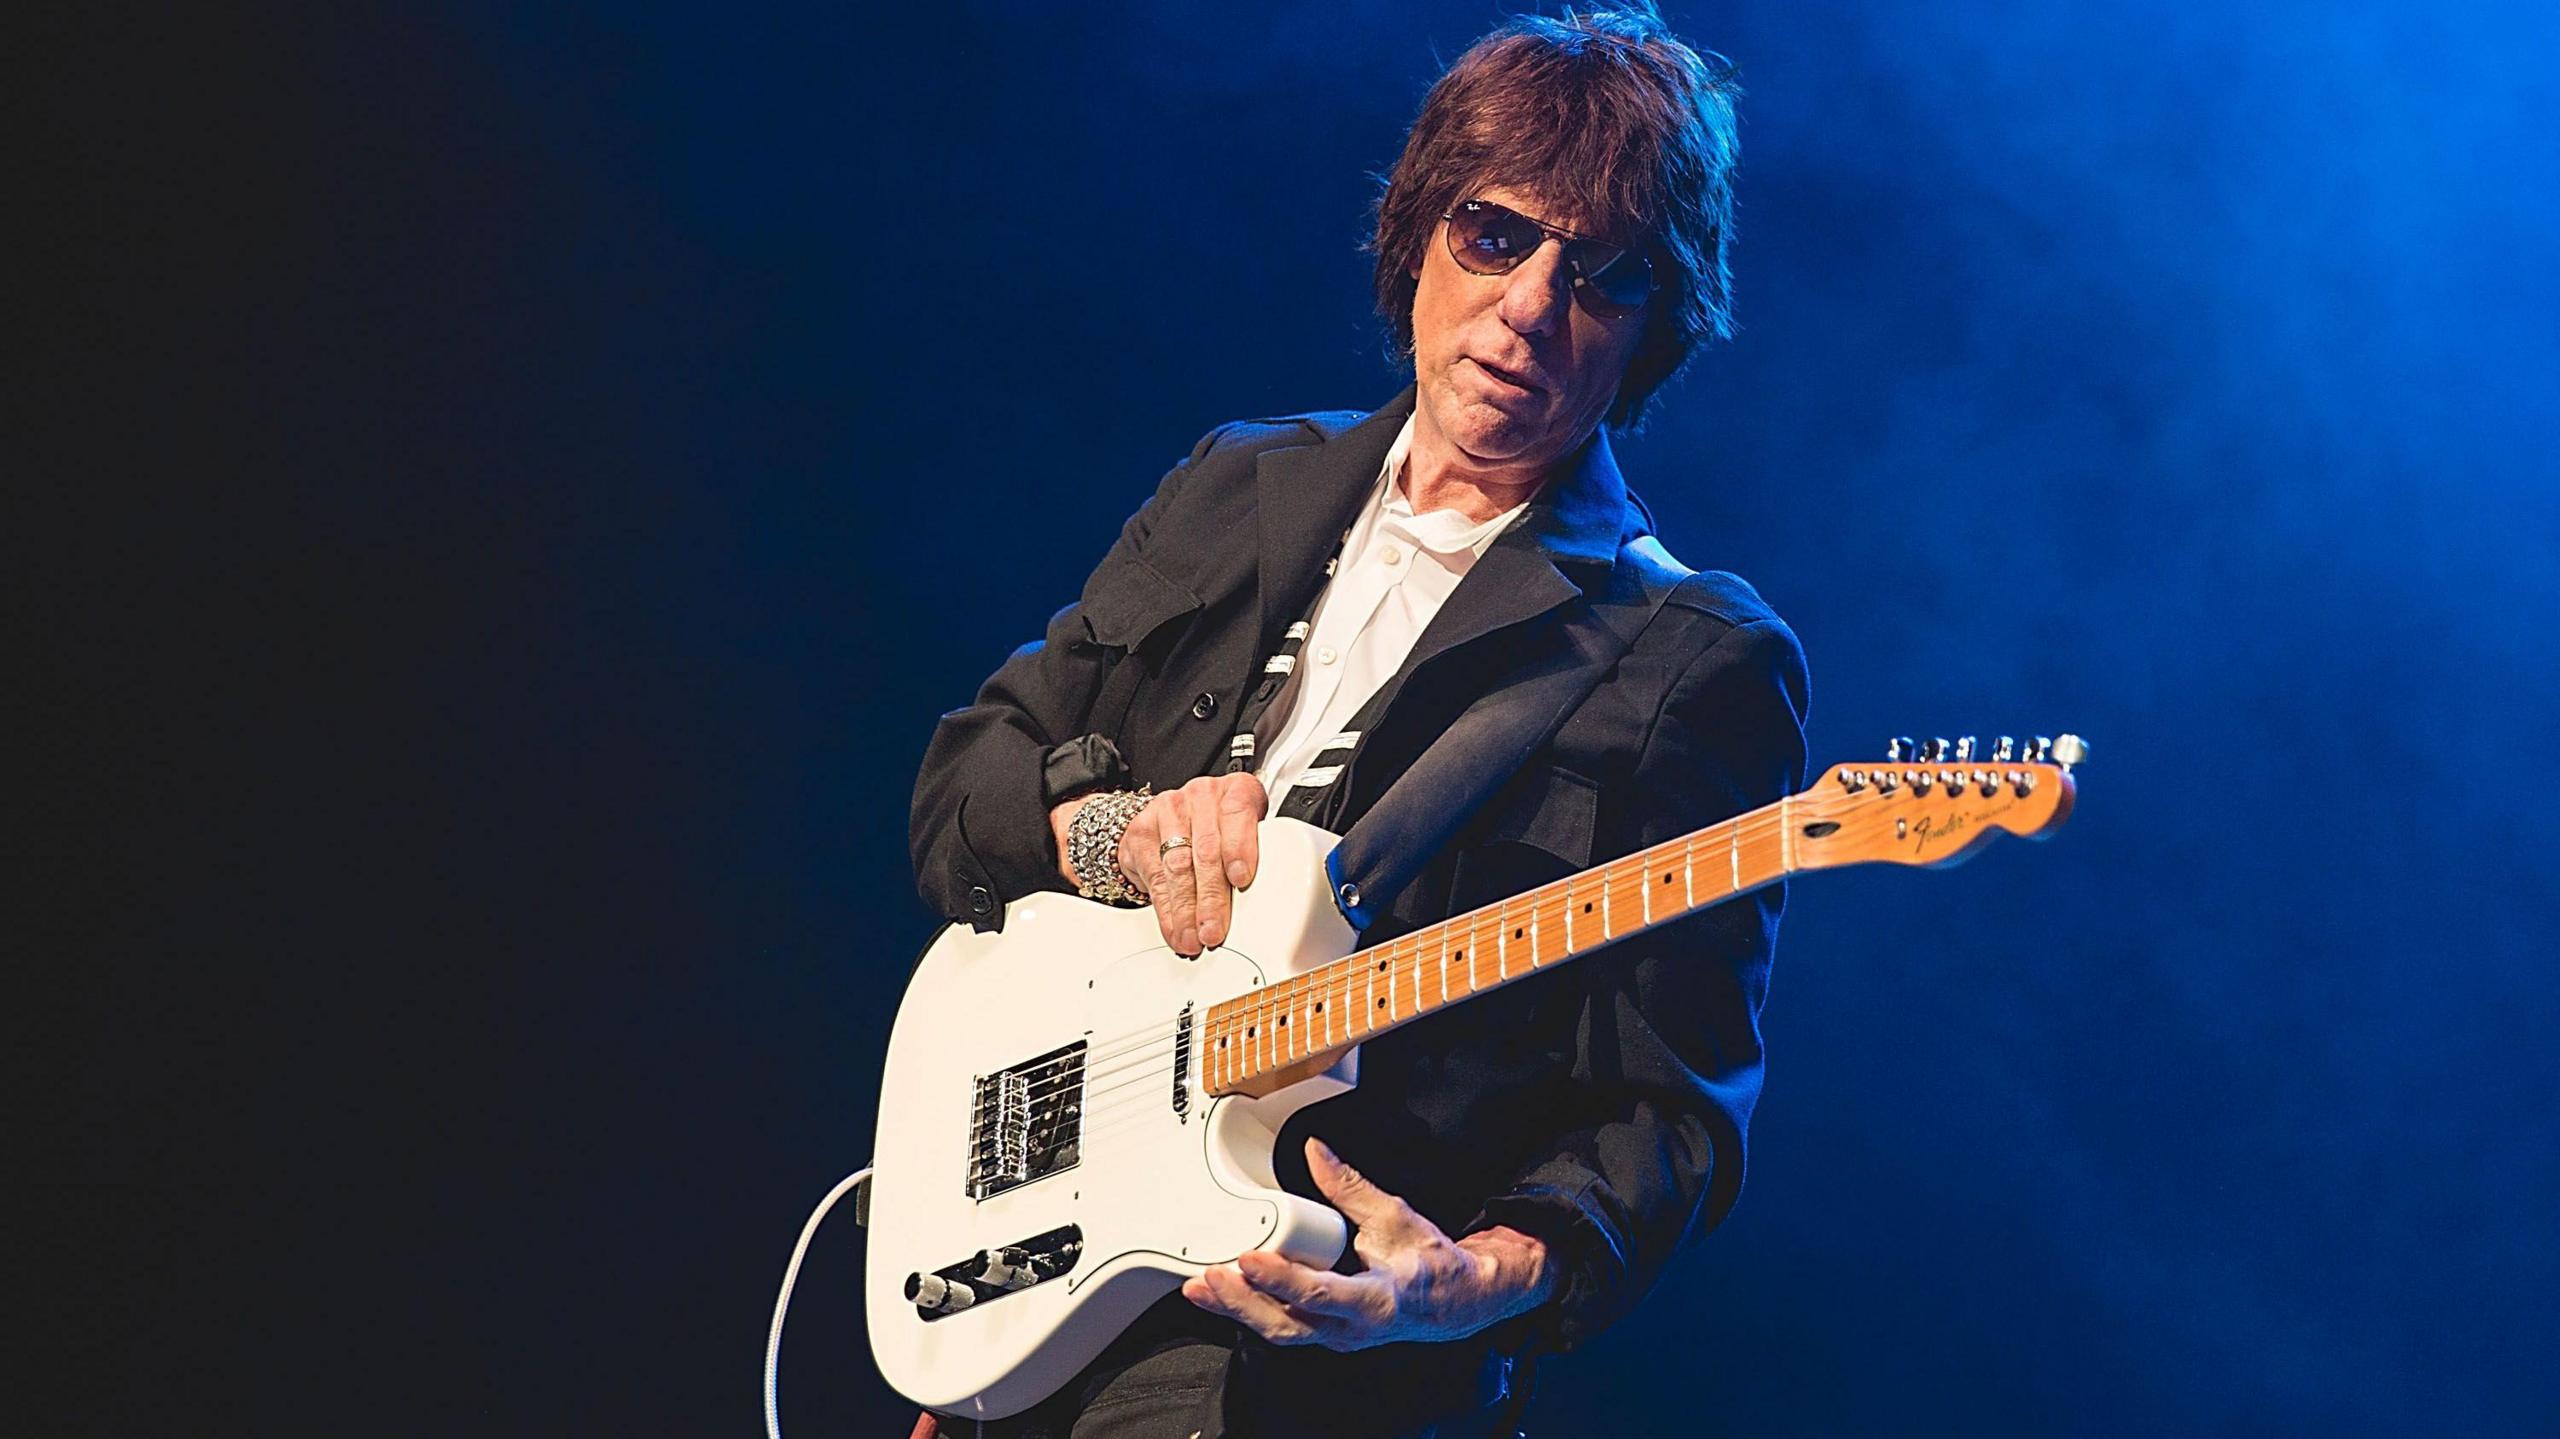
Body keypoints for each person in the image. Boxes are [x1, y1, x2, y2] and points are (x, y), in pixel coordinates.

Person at [908, 9, 1808, 1436]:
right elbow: (966, 781)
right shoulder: (1234, 487)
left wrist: (1473, 1282)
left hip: (1317, 1375)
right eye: (1496, 235)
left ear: (1655, 326)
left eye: (1603, 275)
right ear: (1420, 236)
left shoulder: (1689, 657)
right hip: (1041, 1290)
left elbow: (1670, 1118)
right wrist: (1117, 838)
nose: (1527, 306)